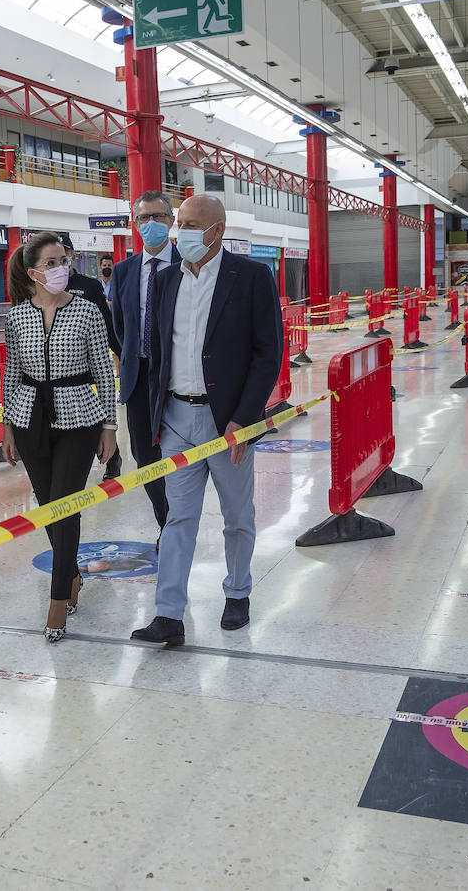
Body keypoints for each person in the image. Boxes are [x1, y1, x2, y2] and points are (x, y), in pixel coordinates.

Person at [131, 195, 281, 647]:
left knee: (237, 515)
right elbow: (158, 353)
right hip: (176, 418)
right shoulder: (166, 280)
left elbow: (268, 354)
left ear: (218, 229)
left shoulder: (251, 276)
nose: (182, 233)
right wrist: (156, 414)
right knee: (178, 518)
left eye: (193, 224)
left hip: (227, 422)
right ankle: (168, 614)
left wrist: (244, 419)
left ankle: (237, 592)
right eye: (180, 223)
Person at [0, 232, 116, 642]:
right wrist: (8, 426)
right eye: (50, 263)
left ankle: (56, 599)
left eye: (62, 261)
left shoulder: (87, 311)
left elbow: (103, 371)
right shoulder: (17, 317)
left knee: (67, 505)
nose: (60, 268)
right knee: (49, 506)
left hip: (79, 417)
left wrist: (110, 426)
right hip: (30, 417)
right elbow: (13, 373)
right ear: (32, 272)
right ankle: (72, 573)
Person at [108, 191, 178, 536]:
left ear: (171, 221)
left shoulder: (187, 264)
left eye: (158, 216)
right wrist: (134, 356)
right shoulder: (124, 271)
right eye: (143, 218)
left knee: (180, 453)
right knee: (144, 456)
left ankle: (180, 522)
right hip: (139, 376)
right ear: (135, 224)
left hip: (179, 377)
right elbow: (120, 326)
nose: (151, 223)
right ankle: (167, 522)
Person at [58, 233, 123, 481]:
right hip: (59, 369)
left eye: (65, 253)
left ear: (72, 255)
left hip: (89, 366)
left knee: (96, 416)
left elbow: (107, 324)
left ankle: (112, 456)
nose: (60, 259)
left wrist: (122, 353)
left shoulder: (89, 286)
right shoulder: (44, 287)